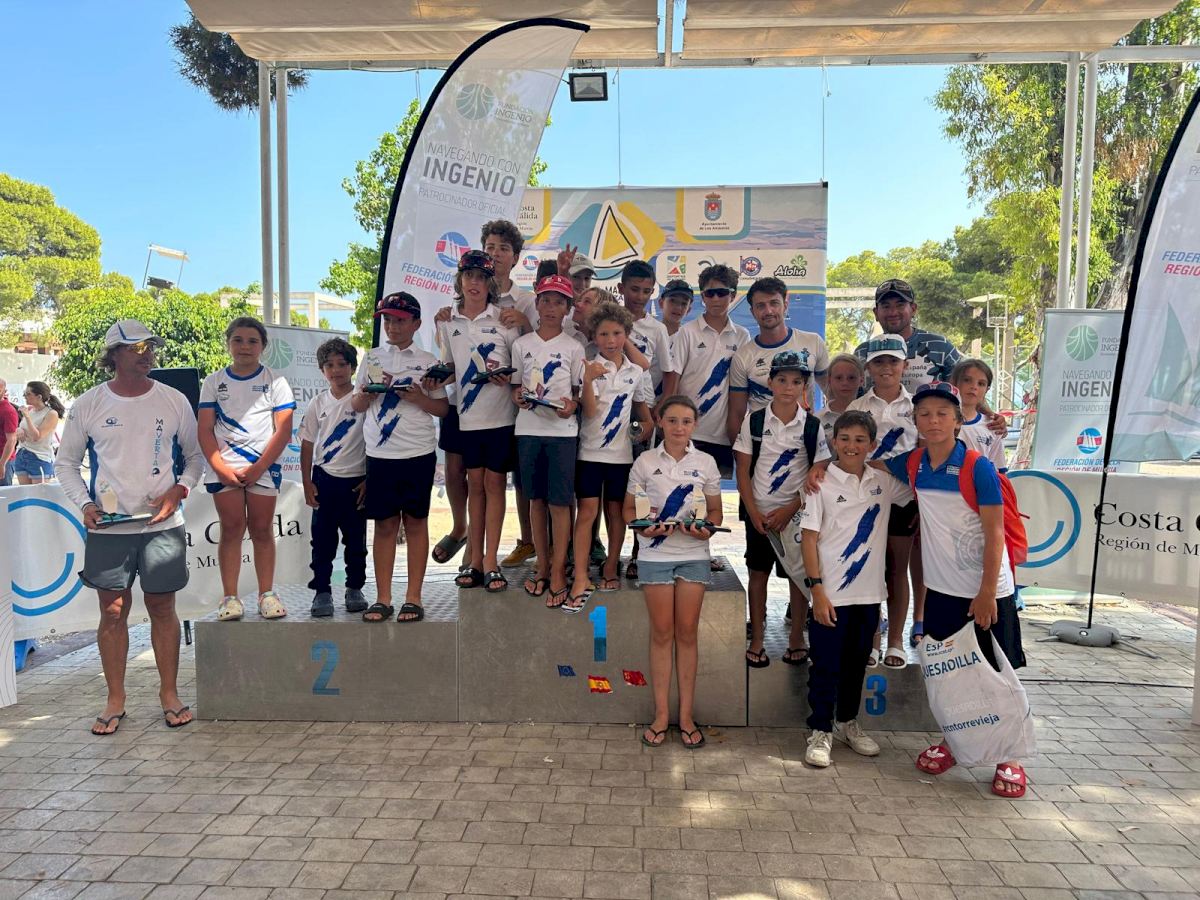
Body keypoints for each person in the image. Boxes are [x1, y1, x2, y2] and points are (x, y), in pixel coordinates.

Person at [55, 319, 203, 733]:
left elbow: (195, 458)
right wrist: (86, 504)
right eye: (137, 348)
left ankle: (169, 694)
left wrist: (179, 490)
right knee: (113, 611)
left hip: (162, 525)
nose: (147, 354)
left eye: (150, 347)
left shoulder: (173, 400)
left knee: (162, 607)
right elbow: (65, 463)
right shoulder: (88, 403)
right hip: (109, 528)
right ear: (114, 355)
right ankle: (115, 699)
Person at [882, 381, 1030, 798]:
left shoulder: (977, 467)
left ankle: (1010, 757)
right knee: (951, 673)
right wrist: (824, 467)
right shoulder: (914, 463)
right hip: (942, 591)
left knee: (999, 673)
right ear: (915, 420)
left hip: (987, 591)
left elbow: (995, 533)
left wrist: (986, 593)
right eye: (925, 414)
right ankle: (955, 741)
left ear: (958, 420)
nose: (933, 421)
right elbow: (870, 464)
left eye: (942, 414)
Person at [798, 410, 912, 767]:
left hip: (869, 595)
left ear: (871, 445)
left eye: (860, 440)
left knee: (855, 665)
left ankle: (848, 722)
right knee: (825, 666)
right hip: (830, 594)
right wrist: (817, 590)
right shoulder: (820, 483)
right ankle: (820, 729)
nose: (851, 446)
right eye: (845, 438)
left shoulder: (883, 482)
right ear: (834, 441)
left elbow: (919, 486)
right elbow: (809, 539)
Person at [434, 222, 536, 571]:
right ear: (460, 280)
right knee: (468, 479)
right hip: (465, 415)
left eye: (481, 277)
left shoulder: (510, 315)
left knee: (497, 483)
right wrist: (427, 382)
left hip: (502, 416)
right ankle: (473, 555)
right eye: (469, 276)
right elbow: (449, 366)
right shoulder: (449, 320)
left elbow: (523, 362)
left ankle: (489, 558)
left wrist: (509, 379)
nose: (474, 283)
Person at [626, 395, 722, 749]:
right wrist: (644, 528)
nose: (679, 427)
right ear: (660, 422)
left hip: (693, 554)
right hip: (654, 557)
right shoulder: (645, 461)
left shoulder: (707, 462)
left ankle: (686, 716)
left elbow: (715, 514)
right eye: (672, 420)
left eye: (686, 421)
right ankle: (661, 715)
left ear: (694, 425)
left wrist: (705, 529)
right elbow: (628, 511)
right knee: (662, 634)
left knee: (687, 634)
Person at [354, 293, 449, 622]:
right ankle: (382, 597)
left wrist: (419, 398)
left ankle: (414, 597)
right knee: (384, 525)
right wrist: (365, 396)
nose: (392, 326)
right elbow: (356, 405)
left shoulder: (427, 360)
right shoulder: (372, 358)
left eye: (400, 320)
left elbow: (442, 408)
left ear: (416, 324)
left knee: (416, 522)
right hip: (380, 455)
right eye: (387, 320)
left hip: (417, 453)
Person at [734, 351, 830, 668]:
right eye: (783, 380)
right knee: (757, 574)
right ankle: (758, 639)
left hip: (796, 517)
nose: (789, 387)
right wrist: (753, 512)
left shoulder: (812, 426)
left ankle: (796, 638)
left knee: (797, 577)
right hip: (760, 516)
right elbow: (743, 470)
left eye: (796, 382)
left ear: (805, 386)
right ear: (770, 382)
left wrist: (791, 509)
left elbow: (818, 472)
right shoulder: (755, 421)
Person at [198, 317, 295, 622]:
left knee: (262, 530)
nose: (245, 347)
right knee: (231, 529)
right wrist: (220, 468)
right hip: (225, 468)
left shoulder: (276, 382)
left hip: (262, 467)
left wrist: (259, 467)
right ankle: (230, 598)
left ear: (263, 346)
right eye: (238, 340)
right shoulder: (213, 381)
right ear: (228, 344)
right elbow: (205, 430)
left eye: (253, 341)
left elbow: (284, 431)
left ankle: (267, 594)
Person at [565, 301, 653, 611]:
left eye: (617, 333)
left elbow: (644, 416)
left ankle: (612, 565)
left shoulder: (635, 372)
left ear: (626, 335)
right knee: (587, 513)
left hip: (621, 458)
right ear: (594, 336)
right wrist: (589, 380)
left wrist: (642, 430)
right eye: (603, 334)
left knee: (616, 514)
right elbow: (589, 412)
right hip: (589, 454)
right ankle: (580, 575)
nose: (610, 340)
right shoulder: (587, 366)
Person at [511, 274, 585, 609]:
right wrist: (518, 397)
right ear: (537, 303)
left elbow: (579, 393)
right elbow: (516, 387)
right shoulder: (522, 345)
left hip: (562, 434)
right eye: (546, 300)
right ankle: (541, 564)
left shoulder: (574, 347)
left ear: (567, 308)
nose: (551, 307)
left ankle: (558, 570)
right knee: (536, 501)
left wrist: (572, 405)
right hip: (528, 431)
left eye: (558, 302)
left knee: (559, 503)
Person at [847, 336, 916, 667]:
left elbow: (925, 456)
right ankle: (872, 640)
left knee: (898, 571)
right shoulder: (857, 407)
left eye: (893, 361)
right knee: (870, 570)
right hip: (866, 502)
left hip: (904, 501)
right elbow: (847, 455)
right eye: (878, 362)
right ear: (868, 368)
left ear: (905, 365)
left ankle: (896, 641)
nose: (886, 368)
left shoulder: (917, 406)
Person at [299, 338, 368, 617]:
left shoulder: (364, 400)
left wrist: (369, 478)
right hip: (324, 479)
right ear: (322, 370)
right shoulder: (318, 403)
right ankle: (322, 591)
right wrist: (307, 482)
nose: (336, 370)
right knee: (322, 542)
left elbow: (375, 440)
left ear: (352, 367)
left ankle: (355, 588)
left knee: (356, 542)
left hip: (356, 481)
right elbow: (306, 444)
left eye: (342, 364)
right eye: (329, 365)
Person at [726, 276, 829, 444]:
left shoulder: (813, 342)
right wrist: (739, 454)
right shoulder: (743, 356)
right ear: (752, 311)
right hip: (762, 446)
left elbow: (832, 393)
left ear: (785, 305)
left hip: (804, 444)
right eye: (761, 306)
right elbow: (737, 413)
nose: (768, 311)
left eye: (774, 303)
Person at [672, 266, 749, 479]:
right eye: (709, 293)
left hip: (722, 435)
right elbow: (673, 381)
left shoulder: (742, 336)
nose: (716, 298)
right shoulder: (687, 332)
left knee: (713, 495)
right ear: (703, 296)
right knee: (683, 492)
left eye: (722, 292)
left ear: (733, 295)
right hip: (687, 432)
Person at [618, 260, 679, 403]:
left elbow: (668, 372)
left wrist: (661, 405)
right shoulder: (609, 320)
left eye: (646, 291)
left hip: (644, 402)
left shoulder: (658, 328)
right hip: (612, 397)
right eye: (635, 289)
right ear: (621, 288)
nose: (640, 297)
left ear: (652, 292)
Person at [951, 358, 1008, 472]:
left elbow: (1000, 471)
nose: (974, 386)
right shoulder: (938, 420)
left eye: (981, 383)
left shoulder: (992, 426)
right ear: (954, 383)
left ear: (987, 390)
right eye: (967, 380)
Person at [14, 381, 64, 484]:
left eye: (28, 394)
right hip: (22, 453)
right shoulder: (30, 410)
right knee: (24, 492)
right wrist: (19, 430)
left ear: (39, 397)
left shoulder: (51, 413)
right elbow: (22, 427)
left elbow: (37, 437)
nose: (24, 396)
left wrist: (27, 417)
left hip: (39, 457)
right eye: (24, 393)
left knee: (39, 492)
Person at [818, 353, 864, 445]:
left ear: (861, 381)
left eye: (851, 378)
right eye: (839, 378)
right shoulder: (818, 420)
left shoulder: (871, 412)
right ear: (829, 381)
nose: (845, 383)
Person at [0, 378, 17, 486]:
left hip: (3, 459)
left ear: (4, 391)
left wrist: (2, 463)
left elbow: (11, 440)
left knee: (3, 493)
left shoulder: (8, 411)